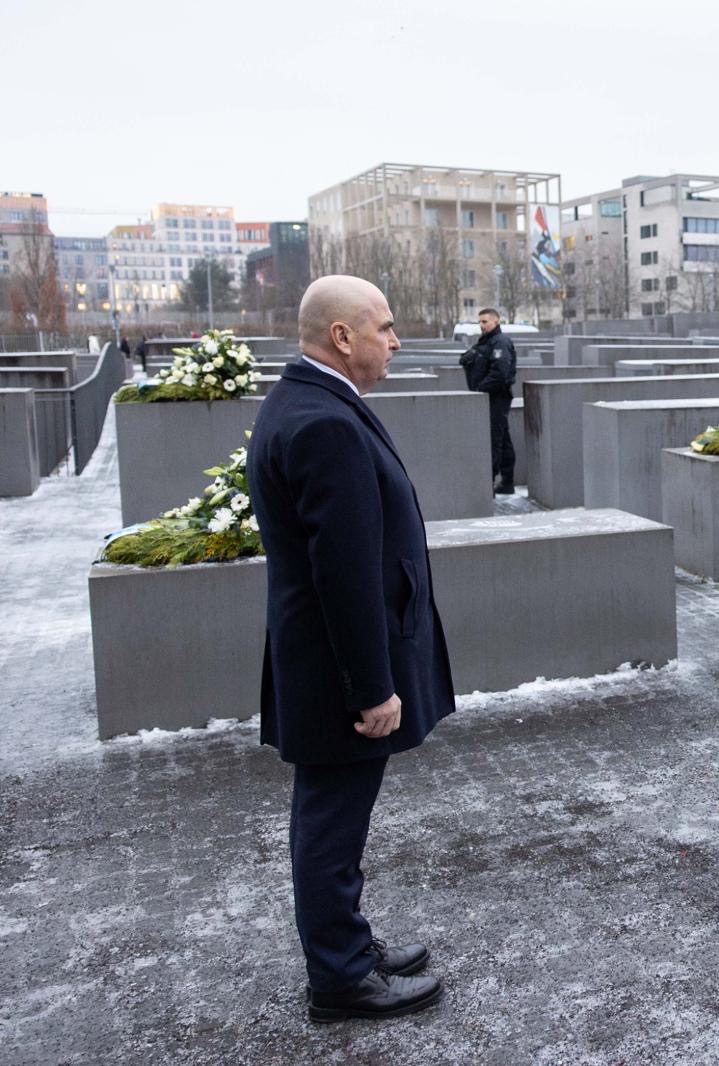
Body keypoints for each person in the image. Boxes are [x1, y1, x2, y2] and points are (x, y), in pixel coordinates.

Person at [246, 274, 455, 1023]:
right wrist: (372, 687)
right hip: (340, 668)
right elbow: (344, 571)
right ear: (342, 337)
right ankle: (338, 978)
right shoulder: (324, 421)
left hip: (321, 656)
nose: (396, 341)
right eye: (386, 327)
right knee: (332, 820)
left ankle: (347, 943)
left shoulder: (307, 402)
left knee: (334, 813)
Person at [459, 307, 518, 494]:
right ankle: (507, 482)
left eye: (485, 322)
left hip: (495, 398)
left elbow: (499, 374)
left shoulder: (500, 343)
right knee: (503, 439)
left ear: (496, 321)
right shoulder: (485, 342)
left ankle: (489, 485)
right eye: (480, 322)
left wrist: (479, 390)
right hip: (488, 397)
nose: (481, 325)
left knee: (494, 441)